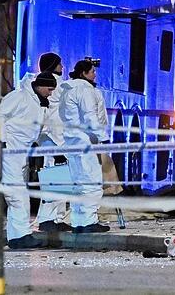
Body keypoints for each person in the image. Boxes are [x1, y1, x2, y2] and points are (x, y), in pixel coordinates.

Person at [0, 71, 57, 249]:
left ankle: (17, 236)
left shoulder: (40, 104)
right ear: (40, 86)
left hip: (20, 153)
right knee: (17, 194)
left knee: (18, 193)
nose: (51, 93)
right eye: (49, 89)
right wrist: (0, 142)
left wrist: (55, 149)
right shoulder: (18, 97)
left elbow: (40, 132)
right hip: (9, 150)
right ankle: (21, 235)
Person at [58, 60, 111, 233]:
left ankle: (78, 221)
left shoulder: (67, 90)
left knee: (78, 184)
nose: (95, 74)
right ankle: (88, 221)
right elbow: (90, 117)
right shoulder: (85, 90)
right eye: (92, 71)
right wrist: (104, 138)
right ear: (83, 73)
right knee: (91, 182)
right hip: (86, 142)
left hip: (71, 142)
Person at [25, 52, 72, 233]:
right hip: (55, 139)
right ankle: (49, 218)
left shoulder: (41, 84)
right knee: (56, 179)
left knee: (57, 179)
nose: (62, 67)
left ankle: (55, 217)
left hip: (51, 139)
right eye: (60, 64)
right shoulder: (56, 83)